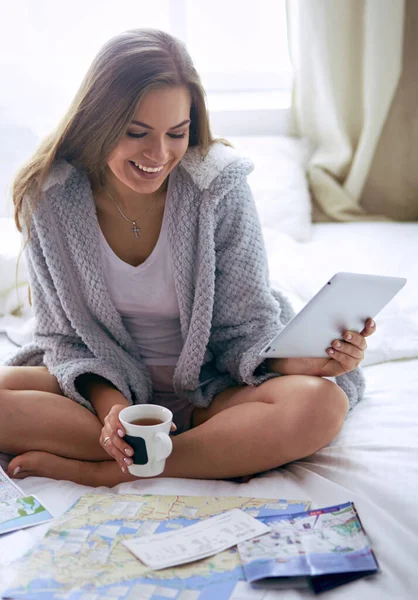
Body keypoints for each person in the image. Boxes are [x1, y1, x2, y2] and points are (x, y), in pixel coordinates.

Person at [0, 29, 375, 487]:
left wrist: (302, 364)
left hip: (212, 391)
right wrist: (114, 410)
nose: (159, 155)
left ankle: (107, 473)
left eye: (176, 133)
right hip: (100, 400)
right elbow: (65, 341)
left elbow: (245, 327)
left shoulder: (218, 189)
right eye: (136, 133)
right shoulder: (51, 198)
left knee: (320, 403)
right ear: (98, 123)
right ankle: (196, 448)